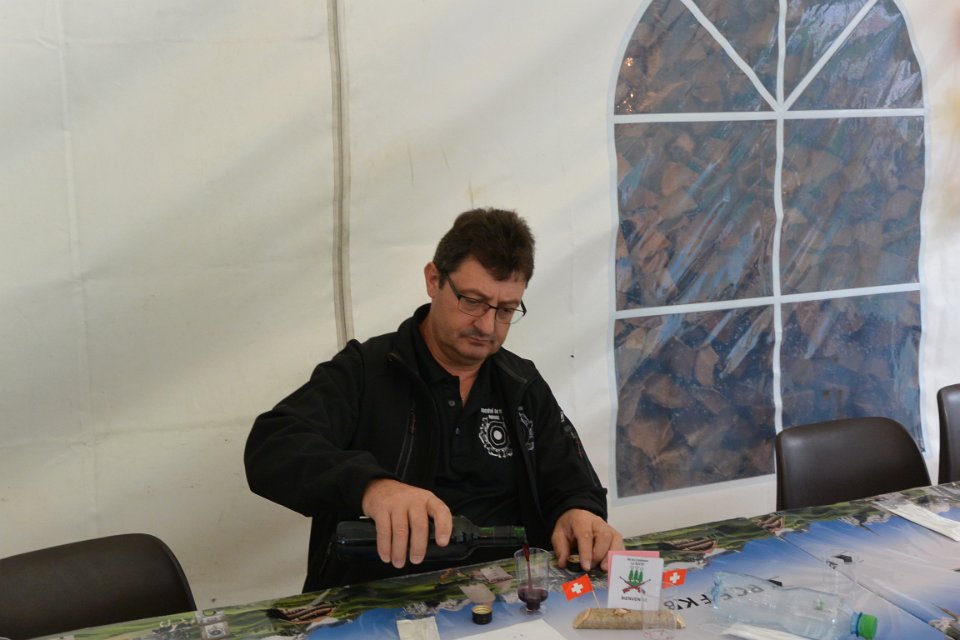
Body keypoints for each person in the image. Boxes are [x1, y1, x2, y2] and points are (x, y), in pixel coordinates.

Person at [245, 207, 623, 591]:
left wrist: (579, 512)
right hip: (380, 597)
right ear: (433, 280)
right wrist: (371, 486)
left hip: (510, 599)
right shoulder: (366, 370)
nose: (487, 325)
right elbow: (272, 447)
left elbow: (574, 483)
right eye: (472, 301)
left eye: (506, 310)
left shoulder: (522, 384)